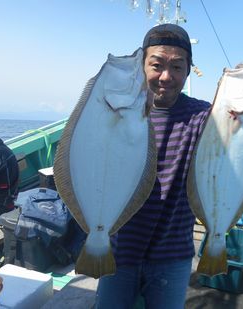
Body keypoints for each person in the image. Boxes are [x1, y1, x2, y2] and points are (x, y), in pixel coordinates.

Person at [95, 24, 211, 309]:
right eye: (157, 65)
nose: (166, 77)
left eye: (177, 67)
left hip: (172, 257)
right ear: (142, 64)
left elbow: (231, 139)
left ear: (188, 70)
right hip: (117, 251)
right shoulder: (117, 112)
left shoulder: (201, 116)